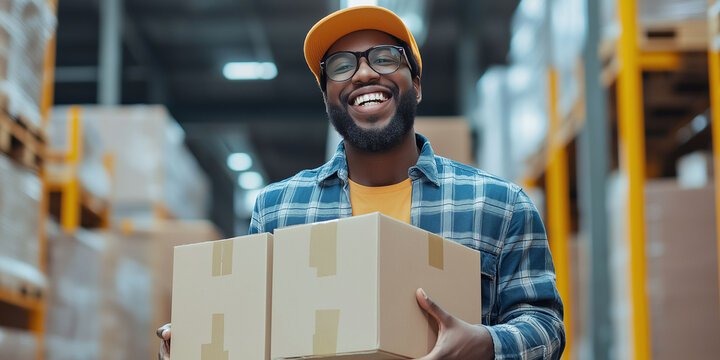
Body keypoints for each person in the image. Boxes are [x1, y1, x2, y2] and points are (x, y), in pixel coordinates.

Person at [158, 6, 565, 360]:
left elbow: (545, 325)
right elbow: (258, 335)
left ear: (417, 85)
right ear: (328, 98)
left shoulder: (497, 204)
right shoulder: (279, 209)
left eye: (385, 58)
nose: (364, 73)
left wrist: (487, 344)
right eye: (341, 65)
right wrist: (198, 343)